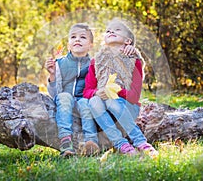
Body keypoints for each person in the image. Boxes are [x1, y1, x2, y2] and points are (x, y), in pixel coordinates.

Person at [45, 23, 136, 157]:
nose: (77, 40)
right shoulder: (60, 63)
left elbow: (112, 53)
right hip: (65, 101)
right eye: (73, 37)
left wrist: (128, 49)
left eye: (82, 37)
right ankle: (65, 141)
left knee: (85, 103)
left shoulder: (95, 63)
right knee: (65, 97)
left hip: (84, 101)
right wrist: (52, 75)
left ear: (91, 45)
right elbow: (54, 93)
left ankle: (91, 143)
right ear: (68, 44)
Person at [83, 18, 158, 156]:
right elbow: (87, 91)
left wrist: (116, 90)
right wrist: (98, 92)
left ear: (128, 41)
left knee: (111, 101)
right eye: (108, 30)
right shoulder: (96, 61)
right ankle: (121, 144)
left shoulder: (133, 60)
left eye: (117, 29)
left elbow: (134, 97)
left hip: (127, 106)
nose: (111, 31)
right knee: (93, 101)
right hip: (102, 107)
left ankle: (140, 142)